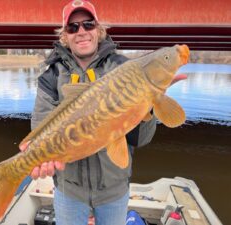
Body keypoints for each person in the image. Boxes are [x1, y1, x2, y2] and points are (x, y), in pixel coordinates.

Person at [19, 1, 186, 224]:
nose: (81, 32)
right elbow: (39, 128)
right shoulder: (51, 77)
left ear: (98, 29)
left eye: (88, 24)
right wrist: (40, 158)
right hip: (69, 191)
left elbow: (140, 139)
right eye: (73, 27)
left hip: (113, 191)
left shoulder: (122, 68)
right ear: (65, 36)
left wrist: (151, 103)